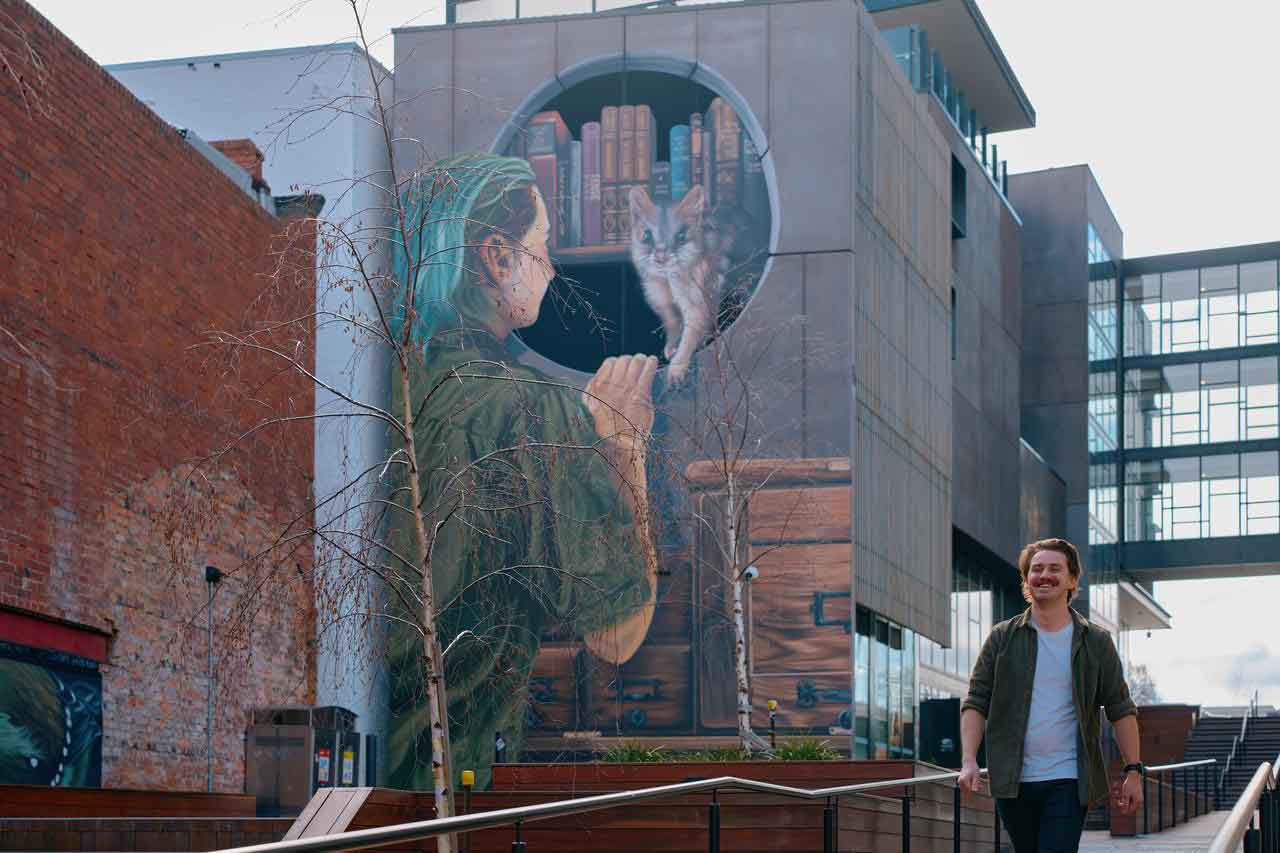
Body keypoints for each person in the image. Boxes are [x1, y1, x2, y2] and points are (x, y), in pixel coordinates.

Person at [385, 152, 660, 790]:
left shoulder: (407, 392)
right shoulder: (532, 408)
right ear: (496, 257)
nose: (552, 266)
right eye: (540, 246)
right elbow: (617, 634)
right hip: (471, 775)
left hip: (394, 772)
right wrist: (622, 450)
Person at [957, 538, 1143, 852]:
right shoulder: (1002, 638)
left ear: (1072, 579)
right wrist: (968, 760)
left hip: (1069, 778)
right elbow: (976, 701)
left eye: (1054, 569)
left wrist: (1134, 770)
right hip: (1012, 781)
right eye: (1036, 569)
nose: (1044, 575)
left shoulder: (1096, 642)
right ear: (1027, 578)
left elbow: (1120, 708)